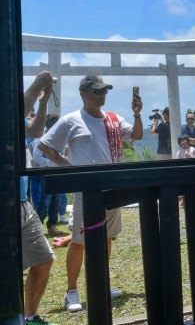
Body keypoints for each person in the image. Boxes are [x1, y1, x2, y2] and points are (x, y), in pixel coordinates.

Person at [38, 75, 143, 312]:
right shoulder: (71, 120)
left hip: (111, 187)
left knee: (106, 238)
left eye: (104, 91)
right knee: (78, 242)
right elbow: (44, 145)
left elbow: (136, 135)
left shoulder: (114, 119)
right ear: (84, 94)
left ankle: (101, 282)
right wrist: (68, 168)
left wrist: (137, 114)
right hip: (85, 191)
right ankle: (71, 291)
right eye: (97, 92)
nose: (102, 95)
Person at [20, 71, 58, 325]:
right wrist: (36, 86)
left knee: (43, 260)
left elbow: (34, 131)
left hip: (21, 202)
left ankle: (29, 317)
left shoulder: (16, 118)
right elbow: (17, 111)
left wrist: (43, 101)